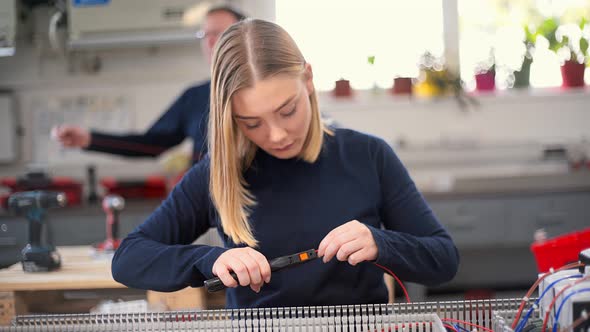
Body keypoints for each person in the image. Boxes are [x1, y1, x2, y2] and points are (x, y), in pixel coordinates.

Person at [111, 19, 459, 309]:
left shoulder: (369, 156)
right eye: (251, 122)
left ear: (308, 79)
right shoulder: (217, 175)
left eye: (287, 110)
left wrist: (381, 243)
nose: (276, 135)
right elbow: (128, 258)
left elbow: (443, 259)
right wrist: (208, 260)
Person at [50, 6, 246, 164]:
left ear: (244, 39)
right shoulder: (194, 97)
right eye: (204, 35)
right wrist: (89, 139)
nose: (210, 42)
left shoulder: (268, 91)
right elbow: (151, 144)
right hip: (210, 206)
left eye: (219, 33)